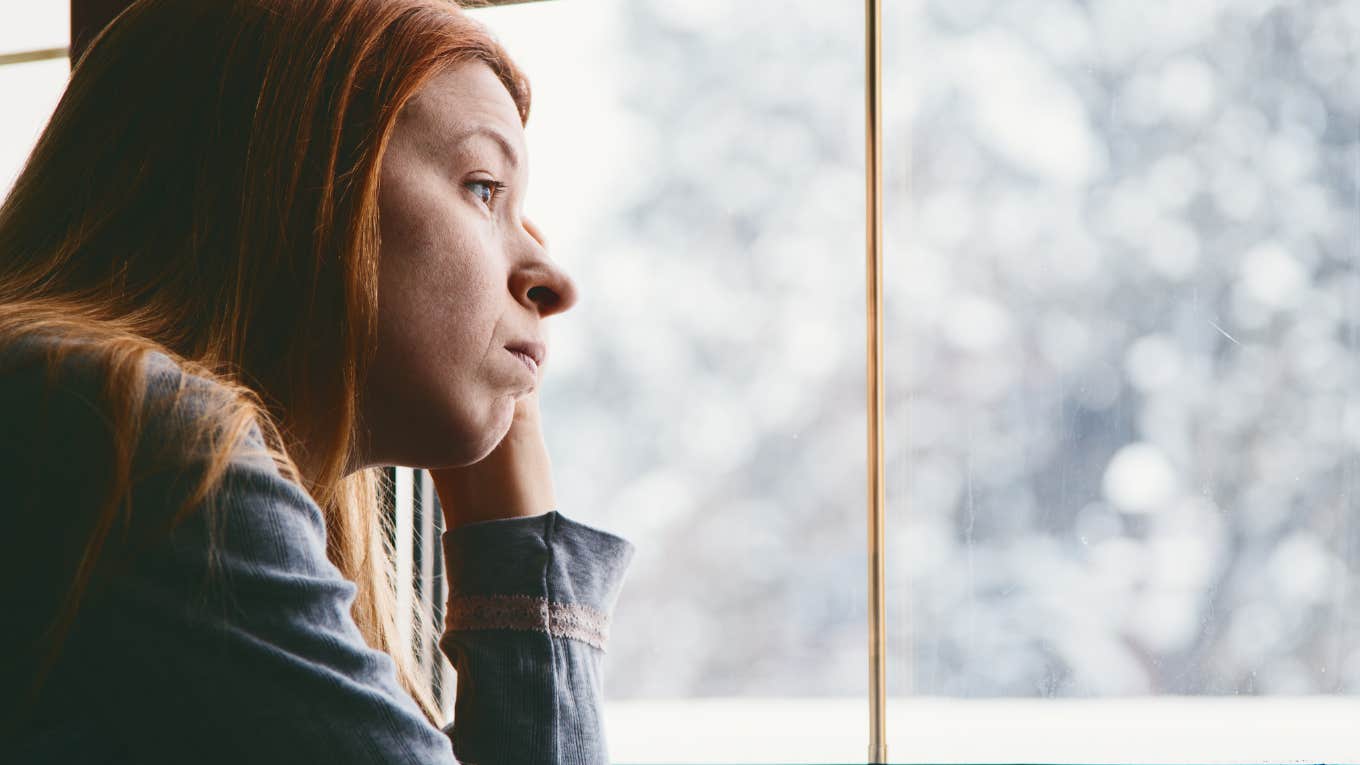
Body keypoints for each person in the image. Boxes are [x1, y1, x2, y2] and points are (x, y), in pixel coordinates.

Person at [0, 0, 636, 762]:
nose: (552, 278)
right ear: (295, 178)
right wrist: (518, 541)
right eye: (484, 189)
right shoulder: (143, 441)